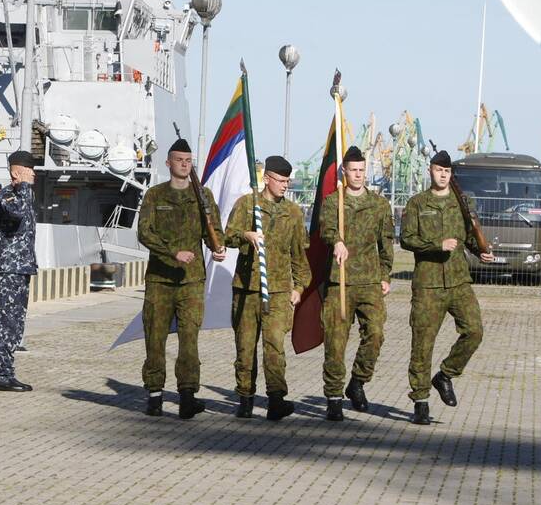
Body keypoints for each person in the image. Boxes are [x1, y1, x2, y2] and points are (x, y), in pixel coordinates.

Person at [400, 149, 494, 425]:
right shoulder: (417, 203)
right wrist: (435, 246)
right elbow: (406, 239)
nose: (443, 175)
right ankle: (420, 401)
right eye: (439, 170)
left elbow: (469, 237)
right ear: (430, 171)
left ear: (451, 175)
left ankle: (446, 375)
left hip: (458, 281)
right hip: (428, 284)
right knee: (422, 343)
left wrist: (481, 251)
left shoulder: (462, 203)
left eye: (447, 171)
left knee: (474, 331)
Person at [136, 138, 226, 418]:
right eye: (179, 160)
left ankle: (188, 396)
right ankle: (154, 396)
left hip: (191, 281)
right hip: (160, 280)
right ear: (168, 163)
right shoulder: (155, 195)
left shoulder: (203, 196)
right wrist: (173, 253)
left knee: (189, 341)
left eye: (188, 161)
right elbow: (144, 233)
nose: (185, 165)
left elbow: (214, 230)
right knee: (155, 339)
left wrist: (218, 247)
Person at [224, 155, 310, 420]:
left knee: (274, 348)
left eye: (287, 181)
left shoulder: (293, 212)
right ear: (267, 178)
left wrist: (300, 288)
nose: (285, 185)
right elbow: (227, 236)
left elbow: (299, 255)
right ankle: (245, 399)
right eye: (281, 180)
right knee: (245, 346)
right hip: (248, 288)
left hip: (279, 291)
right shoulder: (247, 205)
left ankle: (276, 400)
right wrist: (245, 236)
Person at [319, 145, 395, 421]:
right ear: (344, 172)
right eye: (353, 170)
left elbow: (386, 243)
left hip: (369, 281)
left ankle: (358, 382)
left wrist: (386, 275)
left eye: (362, 170)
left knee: (375, 334)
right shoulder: (333, 202)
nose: (359, 175)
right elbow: (326, 228)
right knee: (335, 343)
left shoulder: (379, 205)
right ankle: (334, 396)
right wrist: (337, 241)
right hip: (339, 281)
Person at [0, 150, 37, 392]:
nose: (34, 174)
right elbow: (15, 215)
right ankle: (0, 374)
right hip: (9, 268)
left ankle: (7, 370)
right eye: (29, 170)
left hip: (21, 267)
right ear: (17, 172)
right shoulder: (6, 197)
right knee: (5, 320)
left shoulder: (22, 195)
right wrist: (24, 186)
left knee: (16, 321)